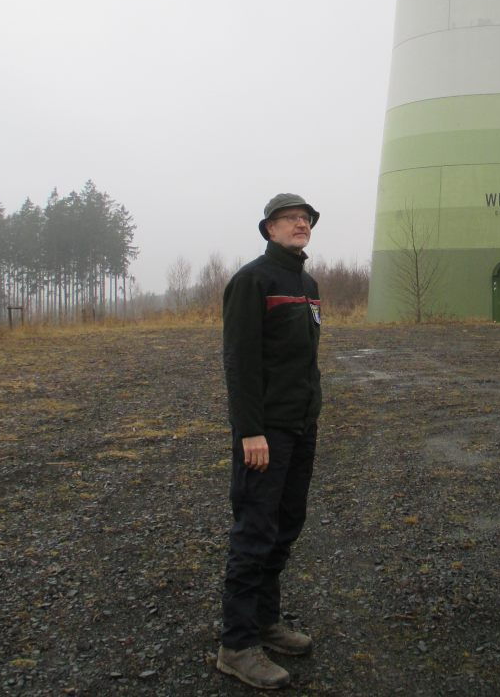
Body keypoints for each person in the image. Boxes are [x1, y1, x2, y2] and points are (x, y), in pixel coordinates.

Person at [216, 193, 323, 690]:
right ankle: (237, 645)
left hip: (301, 426)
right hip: (265, 432)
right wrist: (250, 430)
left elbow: (304, 361)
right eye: (289, 219)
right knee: (254, 532)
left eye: (305, 219)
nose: (300, 225)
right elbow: (240, 363)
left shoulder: (307, 284)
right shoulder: (252, 280)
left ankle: (265, 621)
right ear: (269, 229)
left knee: (287, 524)